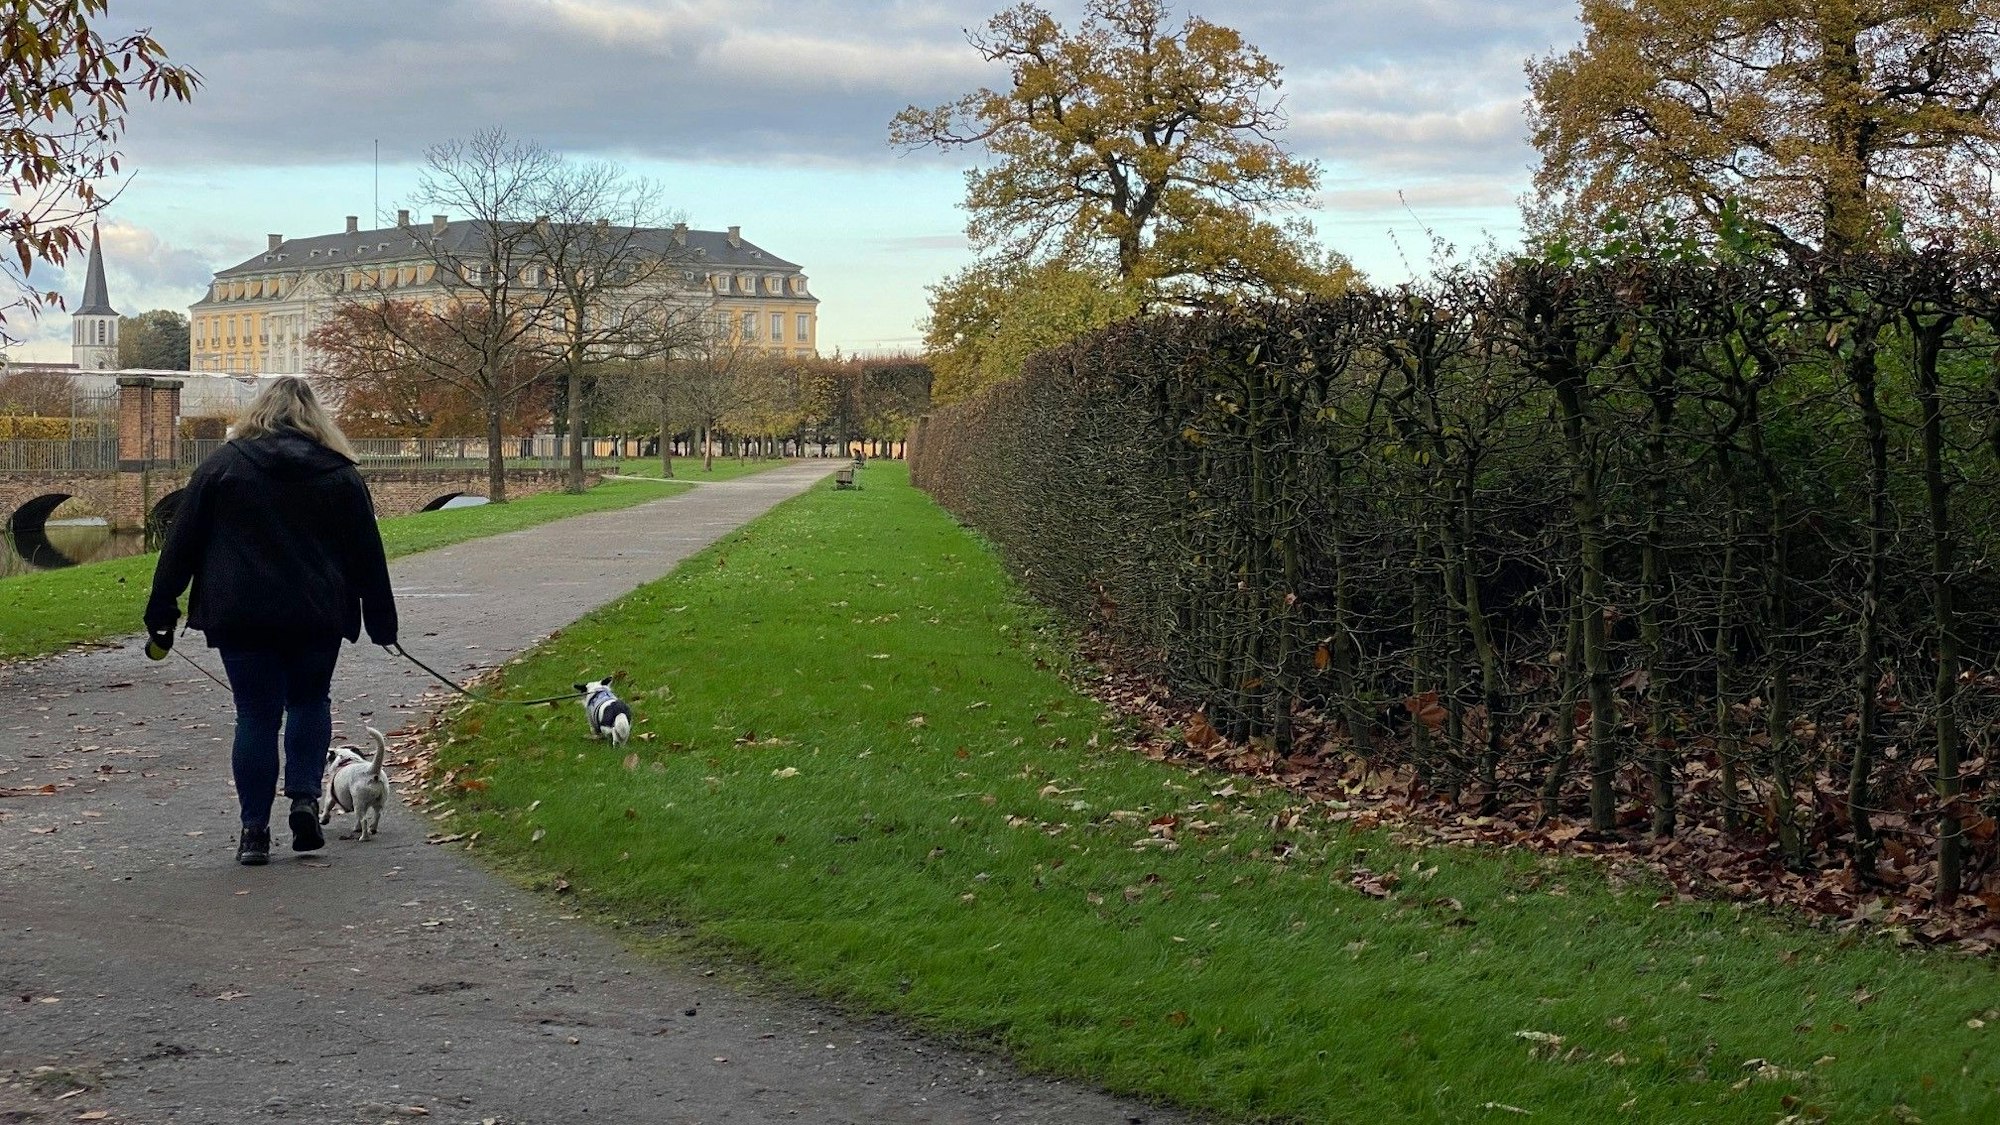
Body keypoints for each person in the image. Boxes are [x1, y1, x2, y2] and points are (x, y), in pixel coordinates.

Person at [145, 376, 397, 866]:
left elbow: (181, 543)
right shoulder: (340, 473)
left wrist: (162, 610)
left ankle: (254, 832)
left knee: (256, 715)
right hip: (317, 612)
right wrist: (381, 621)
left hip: (241, 613)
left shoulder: (222, 467)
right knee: (309, 701)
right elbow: (368, 553)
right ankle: (304, 798)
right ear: (316, 417)